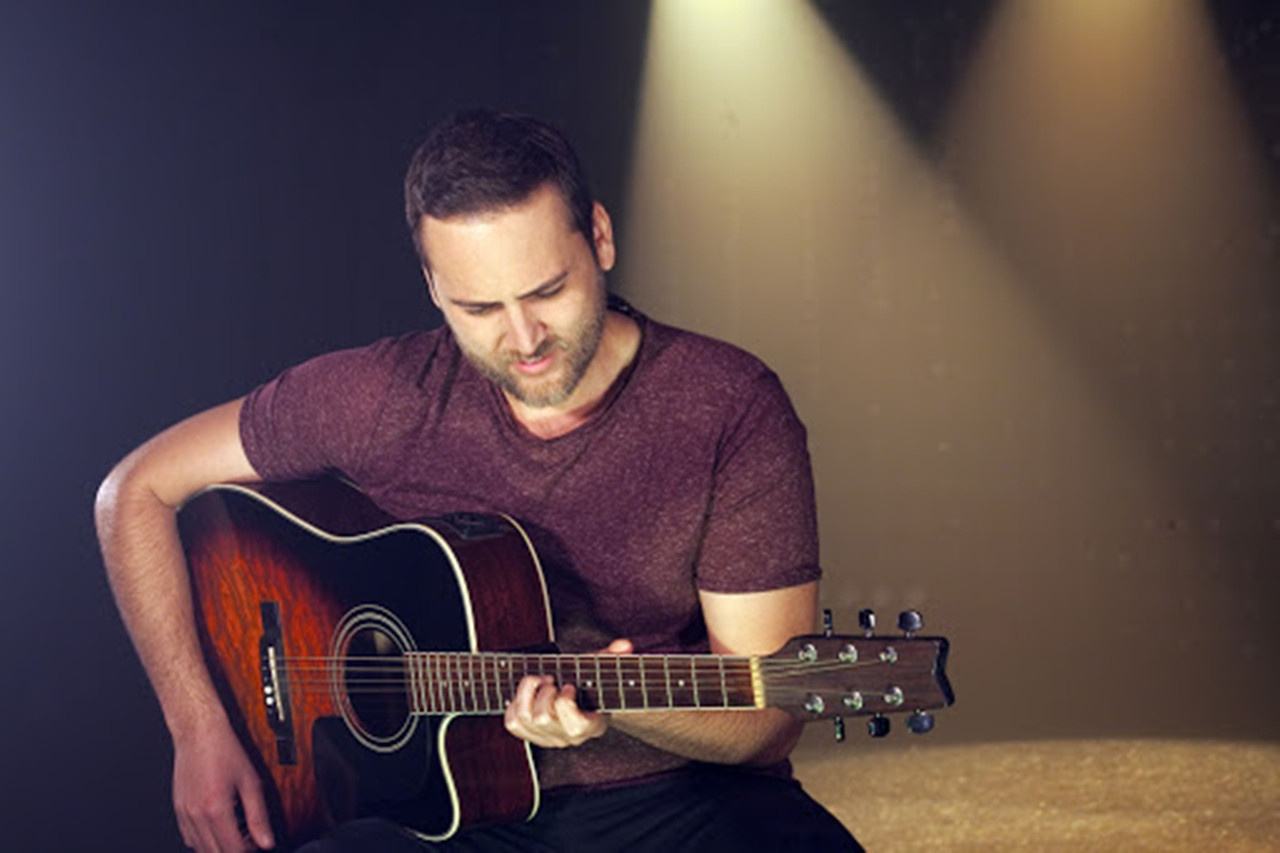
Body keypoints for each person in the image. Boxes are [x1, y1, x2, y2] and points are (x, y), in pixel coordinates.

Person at [95, 110, 861, 852]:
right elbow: (135, 491)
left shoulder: (725, 404)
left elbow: (769, 718)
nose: (523, 338)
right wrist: (197, 727)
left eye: (547, 291)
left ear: (599, 237)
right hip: (444, 811)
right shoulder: (379, 397)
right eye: (479, 307)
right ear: (434, 287)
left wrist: (617, 703)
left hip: (679, 795)